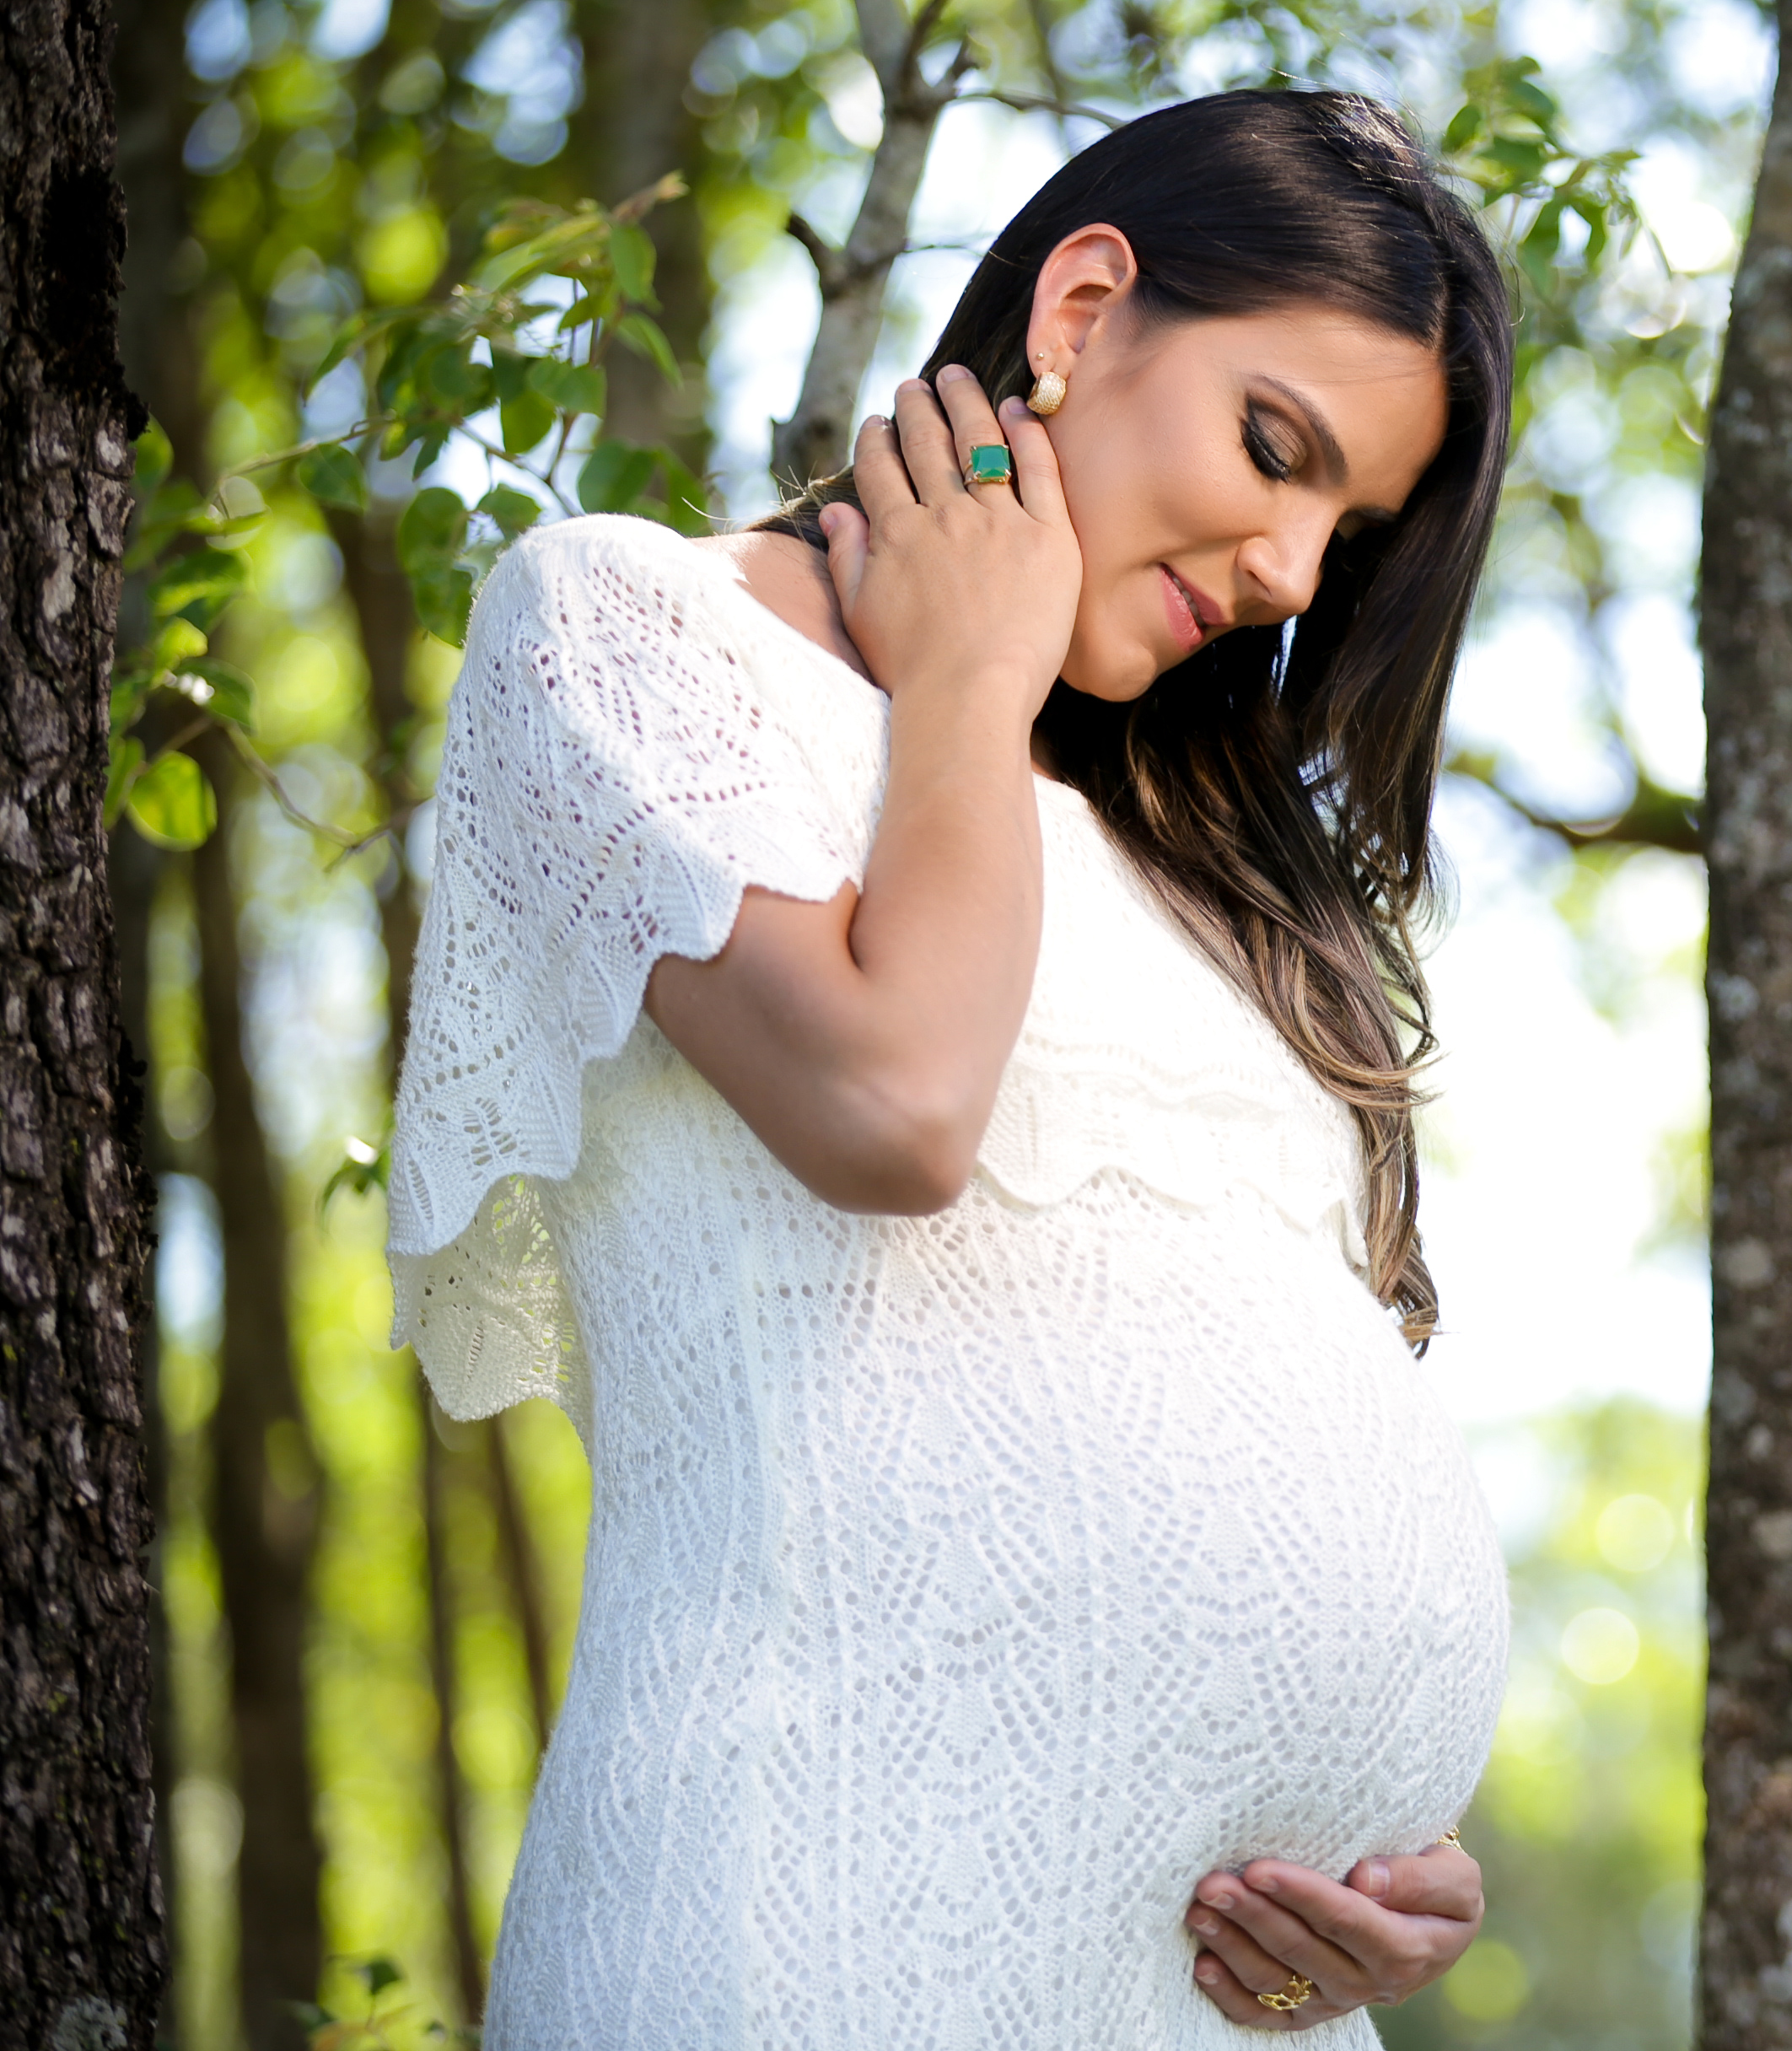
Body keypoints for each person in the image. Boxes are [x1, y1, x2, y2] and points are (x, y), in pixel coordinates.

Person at [385, 90, 1515, 2044]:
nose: (1289, 574)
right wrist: (970, 672)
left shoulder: (1190, 861)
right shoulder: (625, 625)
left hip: (1223, 2000)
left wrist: (1393, 1854)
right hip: (811, 1919)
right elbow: (890, 1109)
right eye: (1277, 451)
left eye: (1347, 531)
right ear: (1079, 312)